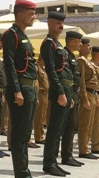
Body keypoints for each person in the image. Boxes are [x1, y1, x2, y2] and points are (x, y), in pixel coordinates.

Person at [1, 0, 38, 178]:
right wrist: (16, 90)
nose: (34, 17)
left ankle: (24, 171)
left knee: (26, 133)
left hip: (29, 88)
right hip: (21, 88)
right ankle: (22, 173)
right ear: (20, 15)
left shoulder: (23, 35)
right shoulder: (11, 35)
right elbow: (9, 64)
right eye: (31, 14)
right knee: (20, 134)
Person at [40, 11, 72, 177]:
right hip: (59, 90)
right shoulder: (48, 44)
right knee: (54, 129)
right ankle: (49, 163)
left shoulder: (58, 44)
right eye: (58, 23)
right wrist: (60, 92)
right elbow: (51, 70)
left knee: (60, 129)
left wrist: (69, 94)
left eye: (62, 23)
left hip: (66, 90)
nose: (61, 25)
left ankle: (53, 161)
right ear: (49, 23)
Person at [60, 31, 84, 168]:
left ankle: (68, 155)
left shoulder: (72, 56)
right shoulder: (64, 55)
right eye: (79, 41)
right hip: (69, 94)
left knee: (72, 125)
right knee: (68, 126)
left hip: (74, 95)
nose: (81, 44)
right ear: (72, 41)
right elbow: (63, 77)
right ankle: (66, 156)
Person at [76, 39, 99, 160]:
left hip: (93, 94)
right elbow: (82, 81)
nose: (90, 47)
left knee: (90, 123)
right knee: (85, 123)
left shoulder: (87, 61)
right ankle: (83, 150)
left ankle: (86, 148)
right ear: (81, 47)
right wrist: (85, 99)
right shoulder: (81, 61)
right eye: (88, 45)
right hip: (87, 94)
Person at [33, 55, 48, 145]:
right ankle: (38, 136)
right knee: (39, 116)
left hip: (45, 94)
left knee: (43, 117)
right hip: (40, 93)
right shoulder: (36, 67)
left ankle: (41, 135)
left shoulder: (43, 69)